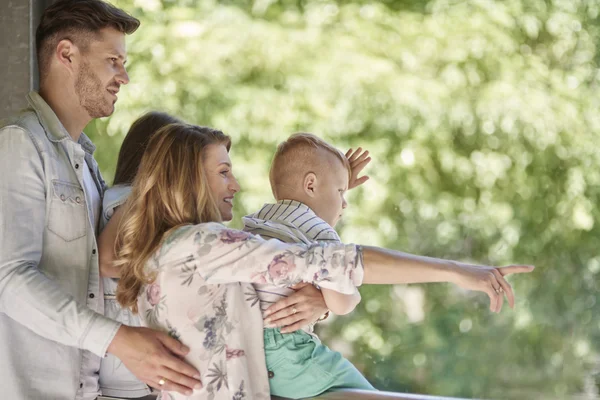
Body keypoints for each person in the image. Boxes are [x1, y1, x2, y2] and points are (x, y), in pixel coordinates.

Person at [112, 123, 534, 400]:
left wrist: (328, 188)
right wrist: (457, 271)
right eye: (223, 172)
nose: (236, 185)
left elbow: (283, 266)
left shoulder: (170, 250)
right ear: (187, 178)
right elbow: (337, 262)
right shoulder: (201, 244)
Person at [0, 1, 201, 398]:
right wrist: (119, 340)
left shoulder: (87, 166)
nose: (123, 77)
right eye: (113, 61)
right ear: (67, 54)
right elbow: (8, 280)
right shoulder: (21, 144)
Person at [98, 112, 333, 398]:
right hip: (136, 374)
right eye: (221, 172)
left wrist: (321, 298)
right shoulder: (136, 208)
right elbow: (109, 262)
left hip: (162, 375)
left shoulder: (192, 237)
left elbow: (253, 268)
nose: (233, 184)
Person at [241, 133, 376, 398]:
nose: (344, 204)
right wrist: (348, 298)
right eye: (340, 191)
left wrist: (335, 178)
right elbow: (342, 302)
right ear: (311, 185)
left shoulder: (257, 222)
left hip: (246, 350)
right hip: (288, 350)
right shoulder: (320, 232)